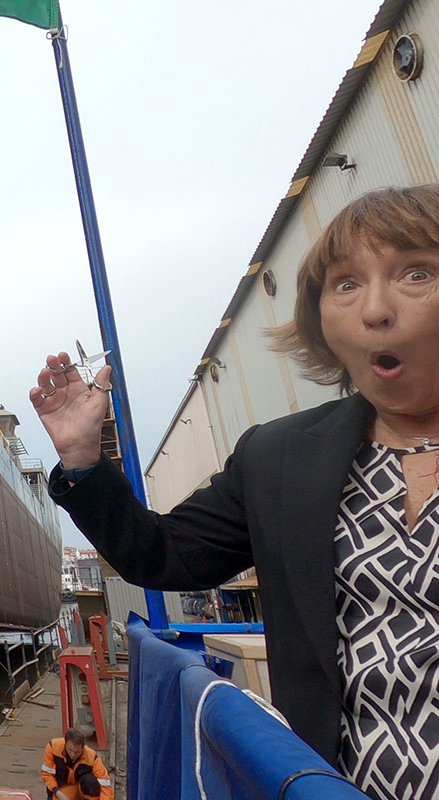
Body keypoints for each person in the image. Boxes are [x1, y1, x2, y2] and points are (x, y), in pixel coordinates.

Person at [29, 184, 439, 800]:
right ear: (322, 322)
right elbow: (162, 554)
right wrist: (84, 460)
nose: (375, 309)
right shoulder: (278, 458)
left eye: (416, 273)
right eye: (346, 284)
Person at [41, 727, 114, 800]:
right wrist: (57, 792)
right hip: (62, 790)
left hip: (81, 791)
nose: (73, 755)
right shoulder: (53, 747)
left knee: (90, 782)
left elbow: (105, 784)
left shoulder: (91, 757)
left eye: (77, 752)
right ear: (65, 743)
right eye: (70, 750)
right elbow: (47, 774)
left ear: (83, 748)